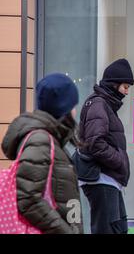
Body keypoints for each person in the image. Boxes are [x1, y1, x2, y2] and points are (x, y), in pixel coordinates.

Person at [1, 73, 82, 234]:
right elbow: (28, 199)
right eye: (73, 105)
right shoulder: (41, 140)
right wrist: (64, 230)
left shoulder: (49, 138)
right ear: (64, 107)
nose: (75, 110)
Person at [77, 58, 134, 234]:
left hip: (107, 179)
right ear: (114, 84)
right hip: (101, 178)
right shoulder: (99, 104)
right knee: (106, 229)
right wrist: (119, 161)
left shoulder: (104, 105)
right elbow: (96, 143)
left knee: (117, 228)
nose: (126, 92)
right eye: (125, 87)